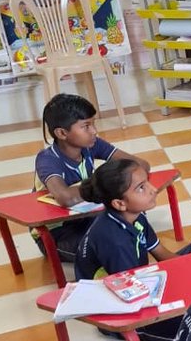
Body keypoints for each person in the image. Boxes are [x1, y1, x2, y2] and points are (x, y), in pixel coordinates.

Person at [75, 158, 191, 341]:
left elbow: (162, 254)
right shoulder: (114, 241)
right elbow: (133, 294)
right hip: (122, 306)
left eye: (147, 181)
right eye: (141, 187)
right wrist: (184, 290)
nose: (153, 189)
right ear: (119, 203)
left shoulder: (136, 216)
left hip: (143, 278)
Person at [34, 93, 144, 263]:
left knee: (134, 213)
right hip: (57, 233)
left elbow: (140, 165)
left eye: (93, 124)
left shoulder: (91, 144)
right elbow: (66, 198)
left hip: (87, 218)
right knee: (113, 242)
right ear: (62, 133)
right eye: (86, 126)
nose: (94, 131)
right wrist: (105, 182)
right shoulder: (48, 159)